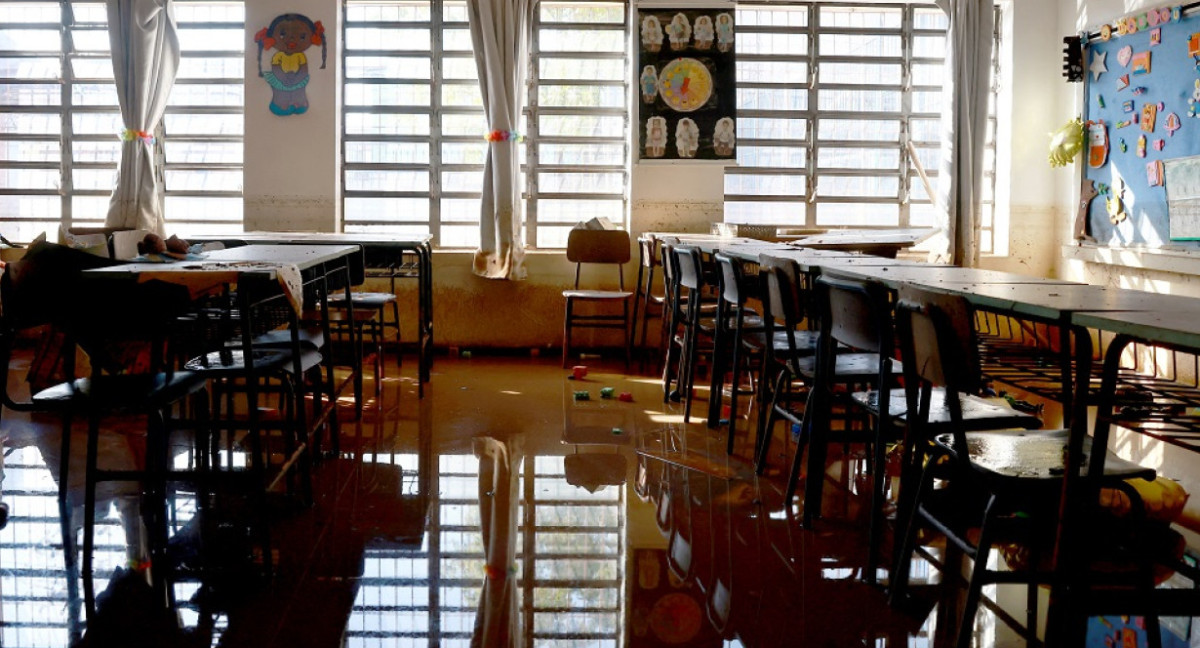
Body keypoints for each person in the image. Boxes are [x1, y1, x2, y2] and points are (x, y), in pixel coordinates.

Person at [254, 13, 327, 116]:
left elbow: (303, 69)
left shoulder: (300, 56)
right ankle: (281, 103)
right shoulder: (278, 56)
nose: (292, 40)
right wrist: (283, 78)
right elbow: (276, 68)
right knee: (280, 91)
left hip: (297, 78)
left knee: (299, 90)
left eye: (301, 36)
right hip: (280, 79)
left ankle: (298, 102)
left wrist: (296, 78)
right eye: (283, 35)